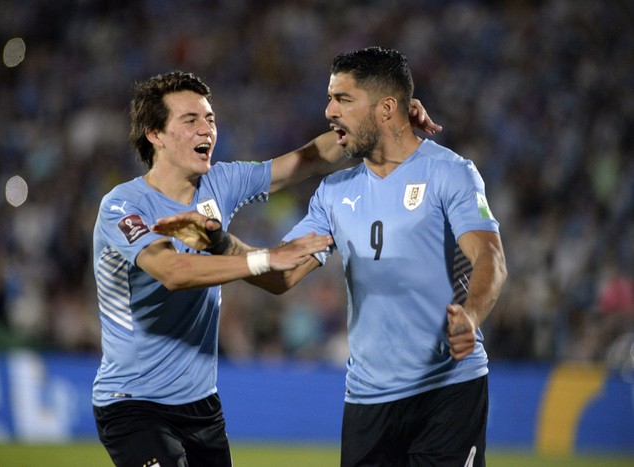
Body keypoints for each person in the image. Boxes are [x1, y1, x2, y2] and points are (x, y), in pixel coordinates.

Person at [157, 47, 506, 466]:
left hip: (446, 392)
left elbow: (490, 257)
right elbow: (282, 274)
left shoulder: (450, 172)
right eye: (329, 98)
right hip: (367, 401)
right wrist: (219, 243)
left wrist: (470, 316)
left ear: (387, 108)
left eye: (343, 99)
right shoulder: (335, 192)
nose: (328, 110)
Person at [91, 70, 441, 467]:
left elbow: (309, 158)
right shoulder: (123, 206)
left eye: (210, 119)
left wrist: (383, 120)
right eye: (190, 121)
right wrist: (263, 258)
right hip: (133, 403)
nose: (206, 129)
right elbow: (172, 271)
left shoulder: (222, 183)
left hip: (201, 405)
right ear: (155, 134)